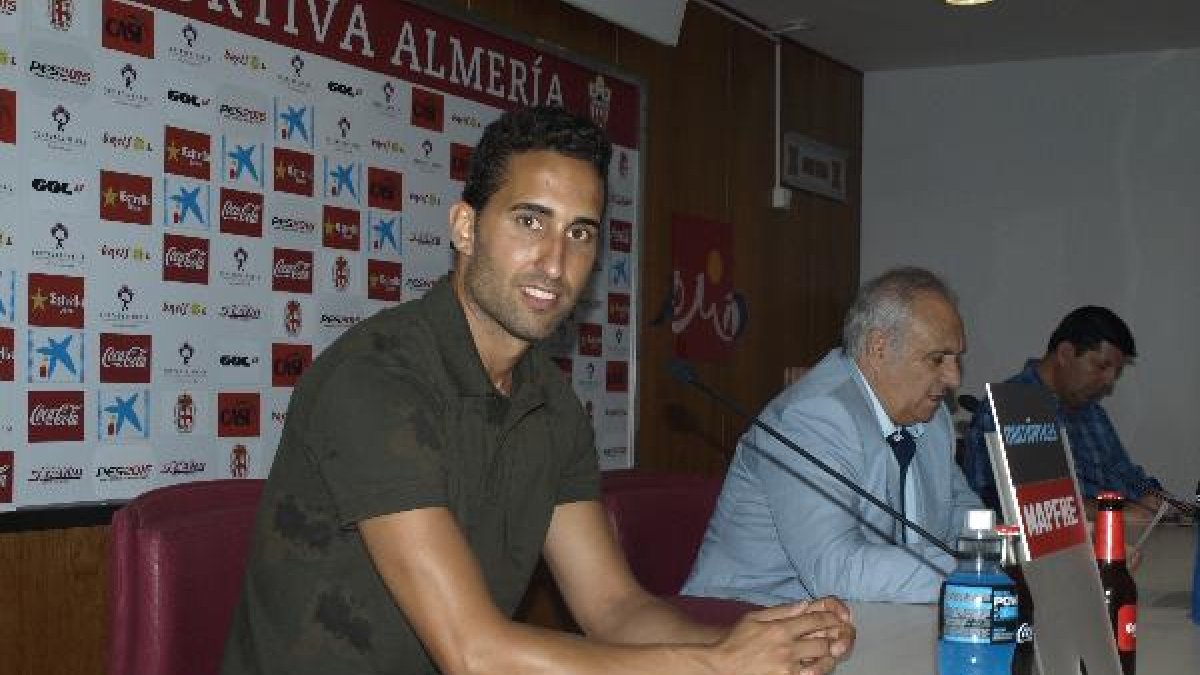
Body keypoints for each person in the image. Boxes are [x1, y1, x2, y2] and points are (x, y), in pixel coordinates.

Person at [221, 106, 854, 675]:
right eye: (530, 221)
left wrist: (747, 650)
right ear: (465, 228)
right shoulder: (375, 379)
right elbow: (476, 654)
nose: (555, 262)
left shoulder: (551, 404)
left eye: (580, 233)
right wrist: (716, 669)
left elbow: (614, 608)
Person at [683, 268, 981, 605]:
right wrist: (970, 573)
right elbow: (835, 570)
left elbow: (962, 512)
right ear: (879, 348)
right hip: (746, 619)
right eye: (937, 358)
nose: (954, 378)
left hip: (865, 619)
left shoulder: (932, 417)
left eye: (957, 358)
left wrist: (1004, 547)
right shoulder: (814, 417)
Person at [963, 306, 1165, 515]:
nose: (1109, 381)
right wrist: (1113, 510)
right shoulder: (1008, 408)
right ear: (1065, 353)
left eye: (1116, 372)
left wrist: (1161, 501)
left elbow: (1130, 478)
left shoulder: (1094, 415)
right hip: (1053, 545)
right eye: (1102, 366)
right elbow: (1020, 506)